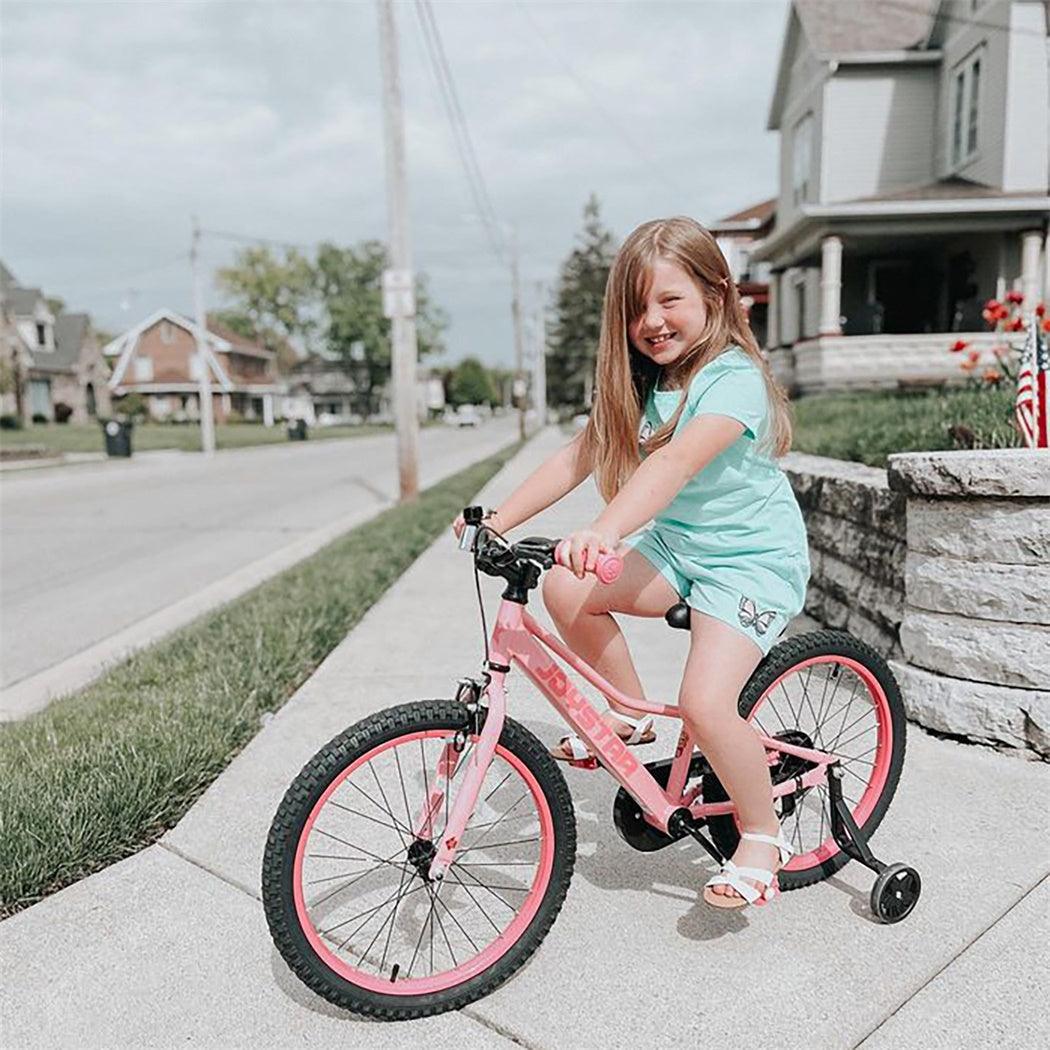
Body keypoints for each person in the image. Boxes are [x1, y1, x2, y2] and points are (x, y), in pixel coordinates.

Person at [453, 216, 810, 910]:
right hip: (682, 548)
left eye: (670, 300)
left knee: (706, 704)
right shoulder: (646, 383)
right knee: (567, 587)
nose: (652, 322)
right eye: (637, 308)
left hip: (749, 562)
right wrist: (496, 520)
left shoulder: (732, 379)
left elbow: (674, 464)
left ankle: (761, 836)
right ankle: (629, 715)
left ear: (715, 293)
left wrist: (605, 530)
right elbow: (577, 456)